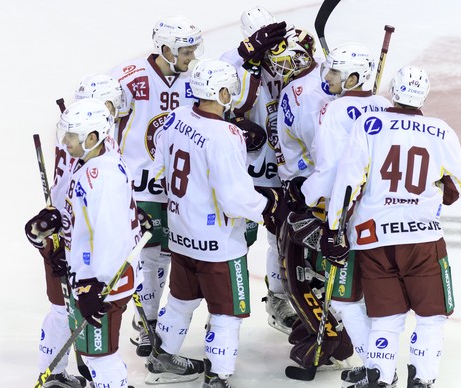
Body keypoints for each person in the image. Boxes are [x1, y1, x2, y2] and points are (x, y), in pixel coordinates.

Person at [147, 59, 287, 387]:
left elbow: (159, 164)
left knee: (181, 299)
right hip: (219, 243)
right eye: (231, 89)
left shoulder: (177, 117)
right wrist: (270, 205)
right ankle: (218, 376)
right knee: (227, 312)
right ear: (221, 91)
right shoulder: (225, 135)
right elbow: (235, 199)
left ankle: (162, 356)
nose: (234, 95)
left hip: (181, 232)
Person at [325, 66, 461, 388]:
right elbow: (456, 188)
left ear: (394, 90)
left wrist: (333, 229)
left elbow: (349, 183)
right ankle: (422, 379)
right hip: (422, 238)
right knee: (431, 316)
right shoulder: (441, 131)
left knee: (386, 317)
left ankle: (381, 376)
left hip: (372, 237)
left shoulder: (369, 124)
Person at [287, 43, 393, 385]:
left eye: (334, 71)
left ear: (353, 77)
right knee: (374, 296)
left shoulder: (333, 112)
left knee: (346, 298)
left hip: (346, 216)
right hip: (383, 216)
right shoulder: (386, 106)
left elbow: (330, 170)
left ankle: (375, 368)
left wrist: (304, 194)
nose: (327, 76)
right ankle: (379, 365)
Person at [26, 98, 145, 388]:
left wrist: (92, 283)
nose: (64, 142)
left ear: (92, 138)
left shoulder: (98, 176)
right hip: (100, 278)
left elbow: (108, 237)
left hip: (104, 282)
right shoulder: (99, 163)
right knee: (96, 353)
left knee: (100, 356)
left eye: (71, 136)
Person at [109, 15, 203, 356]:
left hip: (178, 186)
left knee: (167, 255)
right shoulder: (129, 79)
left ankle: (150, 317)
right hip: (139, 187)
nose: (192, 57)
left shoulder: (195, 80)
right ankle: (147, 320)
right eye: (186, 51)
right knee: (149, 258)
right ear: (166, 49)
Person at [220, 6, 298, 335]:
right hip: (240, 171)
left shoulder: (289, 58)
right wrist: (245, 53)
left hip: (279, 168)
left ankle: (279, 300)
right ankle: (216, 306)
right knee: (226, 240)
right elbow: (217, 93)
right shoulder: (231, 61)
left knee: (280, 236)